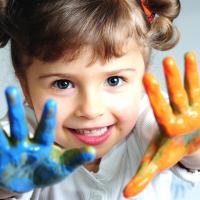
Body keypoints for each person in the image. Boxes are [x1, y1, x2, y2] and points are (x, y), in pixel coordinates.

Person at [0, 0, 200, 199]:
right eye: (63, 84)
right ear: (26, 87)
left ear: (142, 78)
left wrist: (190, 146)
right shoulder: (19, 141)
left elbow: (168, 137)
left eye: (114, 80)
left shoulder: (157, 119)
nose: (91, 109)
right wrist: (6, 186)